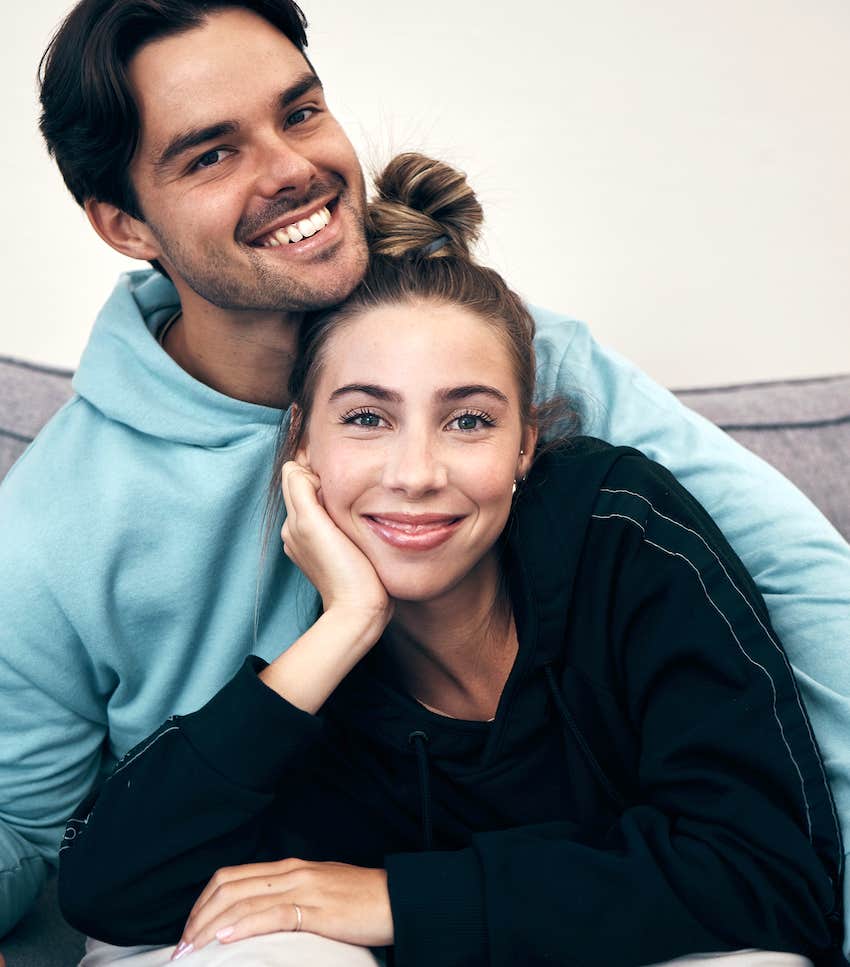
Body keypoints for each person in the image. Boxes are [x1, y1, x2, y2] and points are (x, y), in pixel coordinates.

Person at [1, 0, 849, 954]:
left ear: (527, 435)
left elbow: (803, 587)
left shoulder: (521, 376)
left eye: (301, 112)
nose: (290, 169)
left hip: (498, 889)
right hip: (227, 902)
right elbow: (46, 847)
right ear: (124, 224)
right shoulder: (47, 526)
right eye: (211, 153)